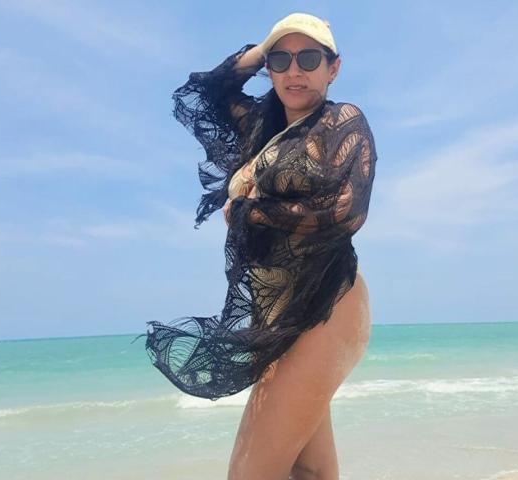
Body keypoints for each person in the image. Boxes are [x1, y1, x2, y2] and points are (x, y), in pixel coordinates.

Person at [137, 12, 378, 479]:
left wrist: (252, 213)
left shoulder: (341, 121)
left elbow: (345, 211)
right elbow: (208, 90)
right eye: (281, 60)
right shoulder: (260, 128)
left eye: (309, 58)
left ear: (333, 68)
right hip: (277, 315)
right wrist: (261, 49)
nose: (294, 71)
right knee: (309, 471)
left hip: (328, 303)